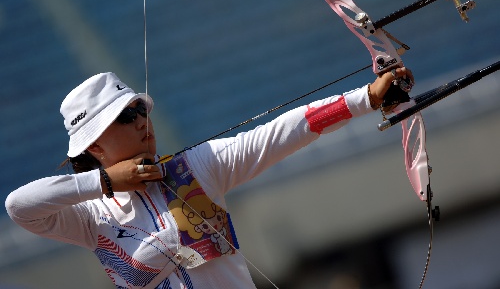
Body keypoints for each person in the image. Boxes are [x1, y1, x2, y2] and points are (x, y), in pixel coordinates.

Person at [5, 68, 412, 288]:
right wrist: (107, 182)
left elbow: (280, 133)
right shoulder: (88, 217)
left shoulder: (194, 168)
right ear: (94, 146)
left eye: (141, 110)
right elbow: (18, 206)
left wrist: (367, 98)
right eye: (127, 117)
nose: (143, 122)